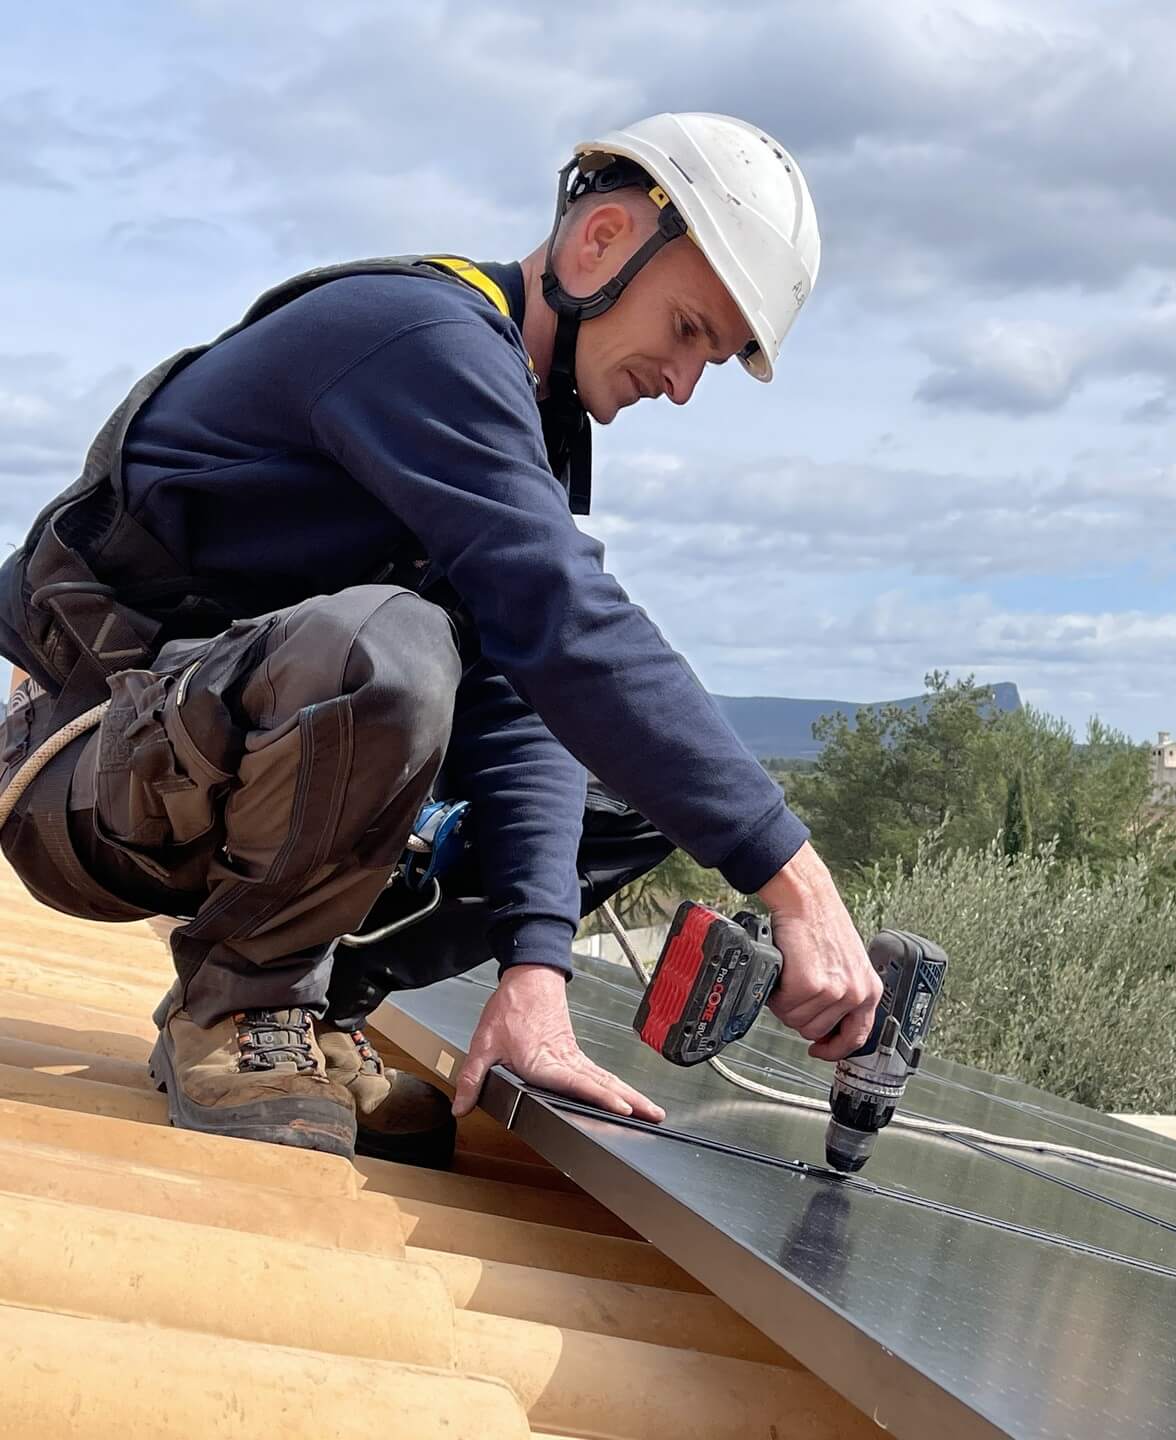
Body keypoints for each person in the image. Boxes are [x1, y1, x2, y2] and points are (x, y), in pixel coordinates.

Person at [0, 112, 882, 1165]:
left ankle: (319, 1010)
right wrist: (797, 882)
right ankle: (244, 1008)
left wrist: (535, 971)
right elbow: (565, 621)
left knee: (627, 785)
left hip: (202, 780)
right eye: (690, 329)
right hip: (84, 783)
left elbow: (532, 702)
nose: (686, 385)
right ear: (601, 241)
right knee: (396, 645)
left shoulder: (518, 421)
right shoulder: (423, 341)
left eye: (719, 359)